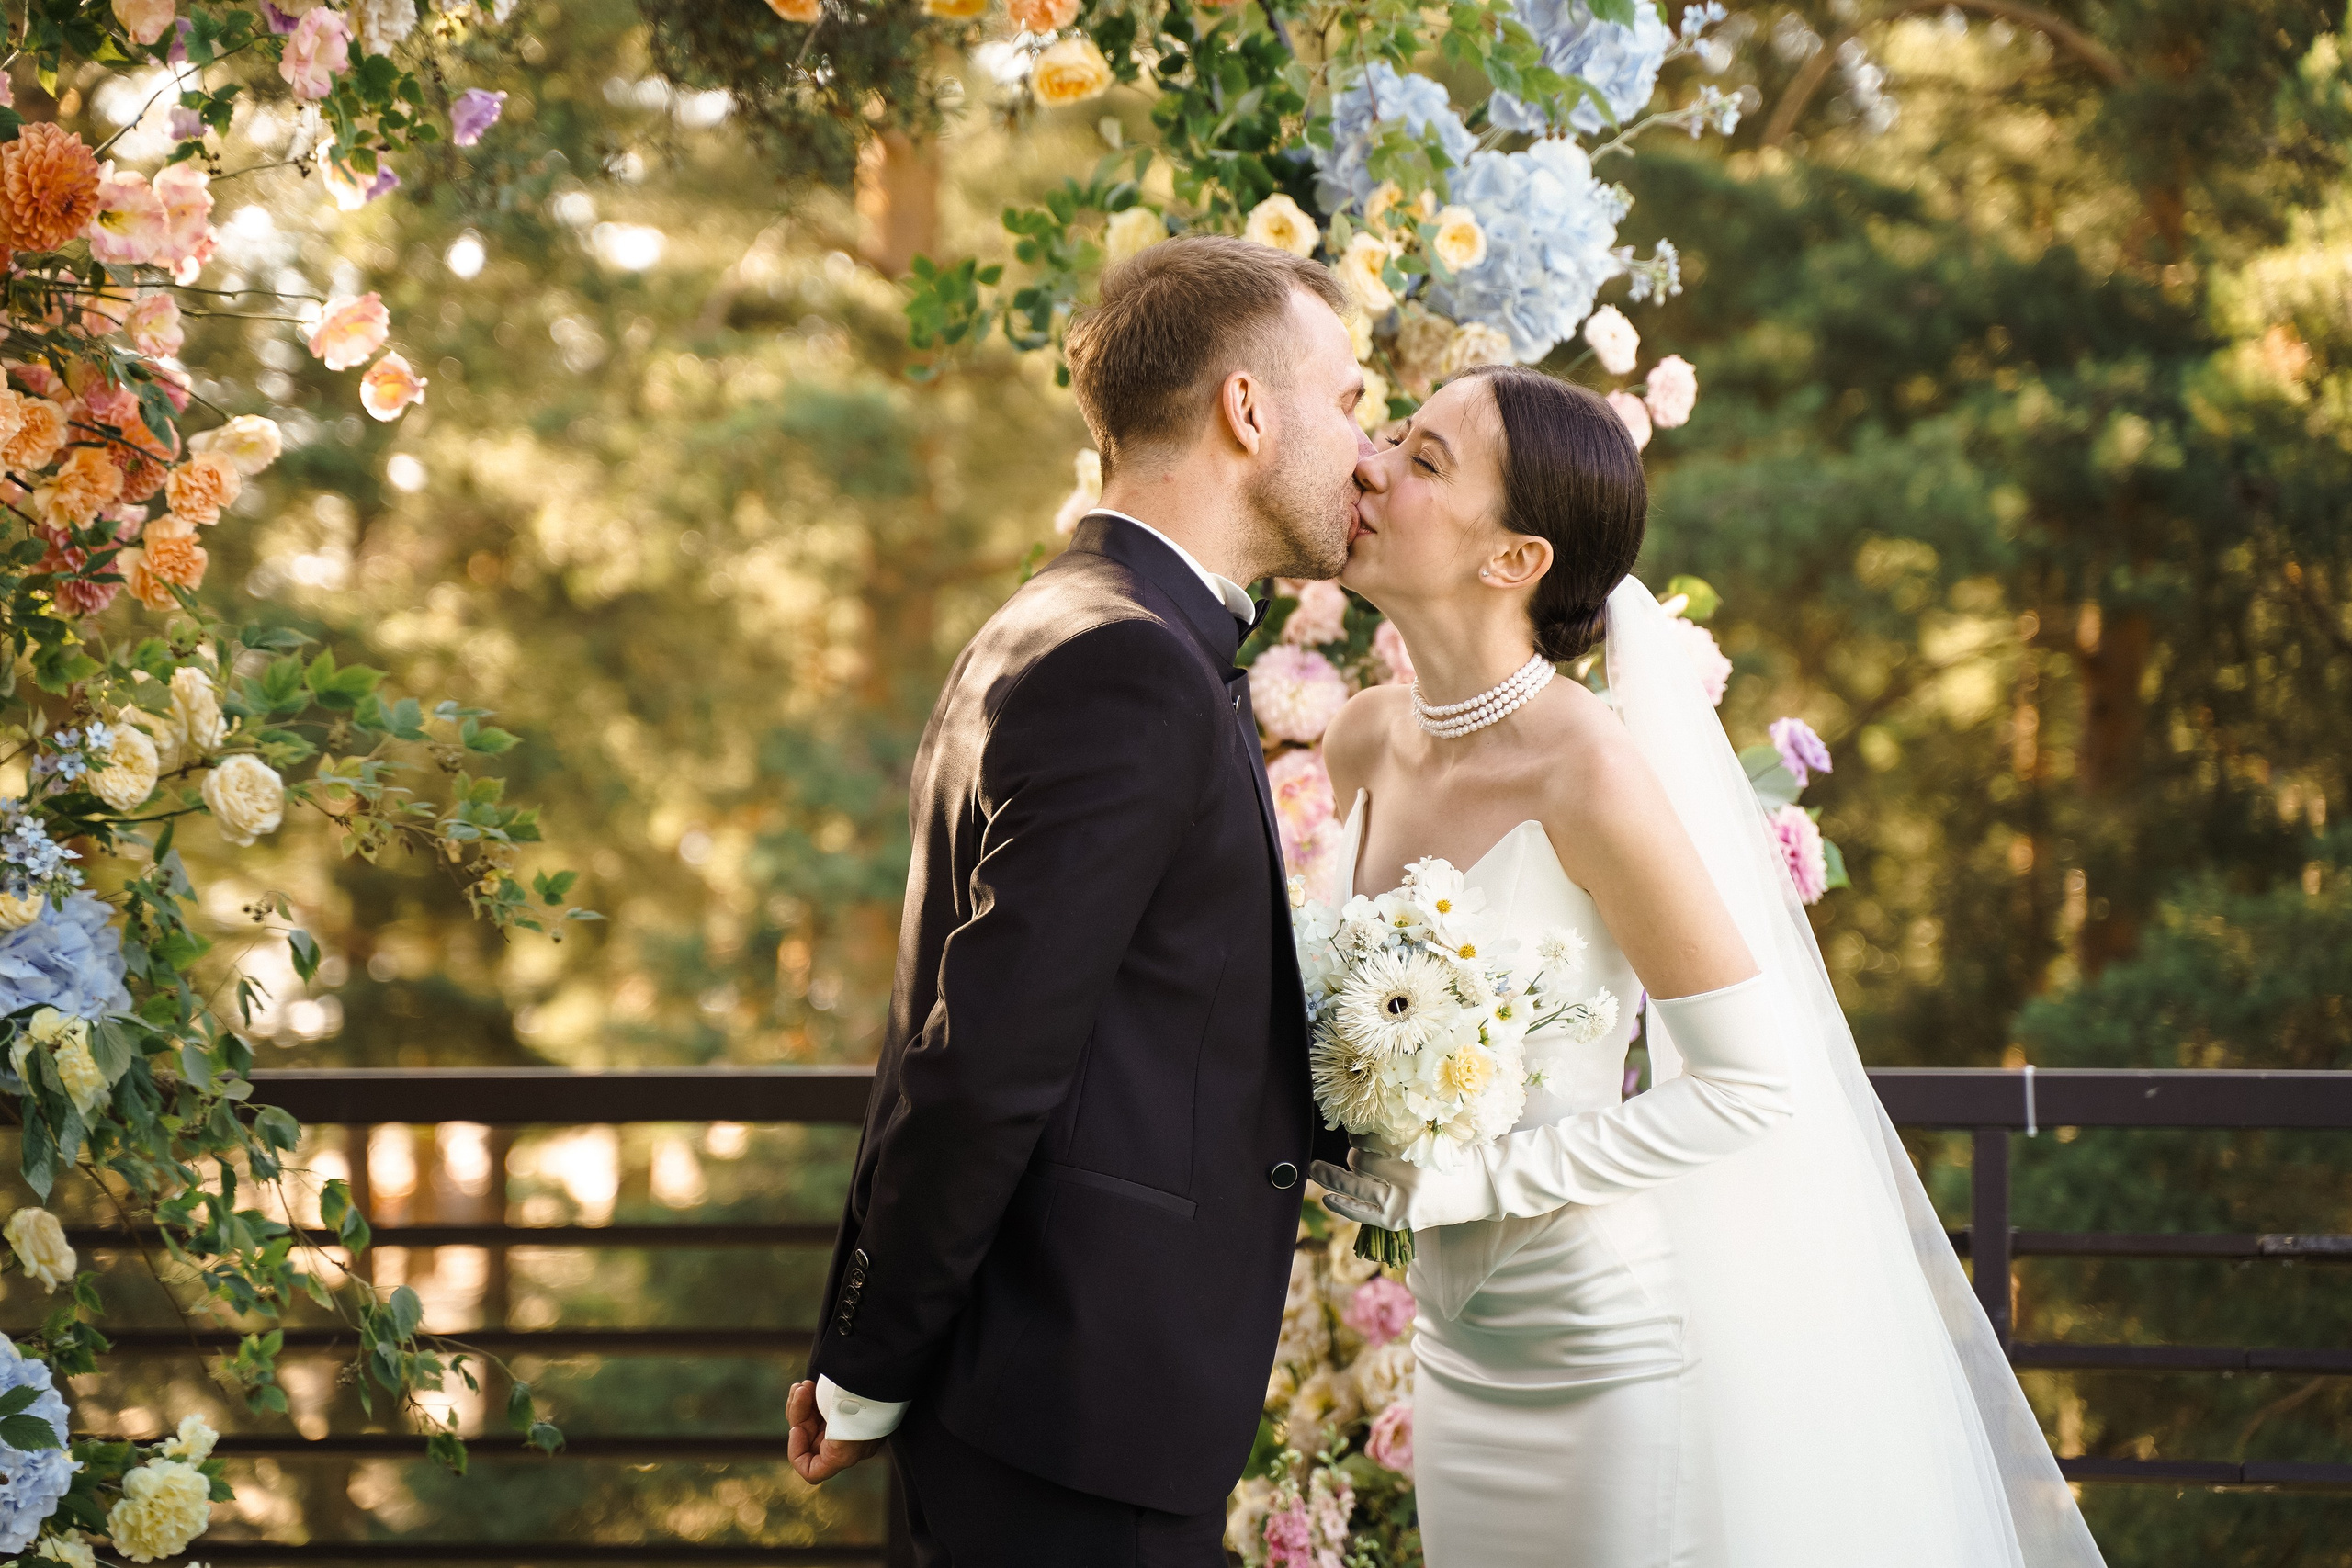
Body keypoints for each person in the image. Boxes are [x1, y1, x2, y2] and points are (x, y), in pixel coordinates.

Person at [1311, 367, 2107, 1565]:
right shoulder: (1362, 739)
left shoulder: (1589, 770)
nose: (1369, 465)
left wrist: (1476, 1183)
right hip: (1453, 1364)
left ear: (1515, 560)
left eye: (1424, 462)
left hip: (1596, 1362)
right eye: (1391, 437)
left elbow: (1753, 1086)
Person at [785, 234, 1373, 1565]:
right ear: (1245, 409)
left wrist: (863, 1349)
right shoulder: (1131, 662)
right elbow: (982, 1060)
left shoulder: (1060, 620)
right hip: (1076, 1413)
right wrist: (866, 1364)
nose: (1365, 445)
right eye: (1346, 402)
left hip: (1054, 1400)